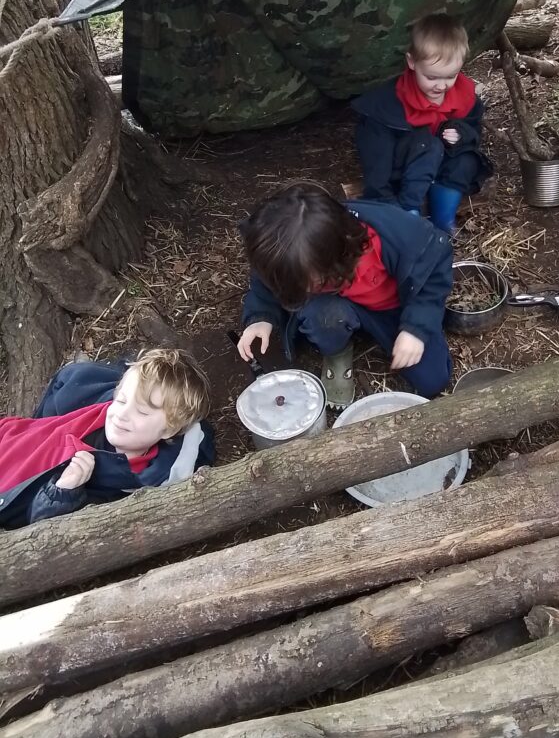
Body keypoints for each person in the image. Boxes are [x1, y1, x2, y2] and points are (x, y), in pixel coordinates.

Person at [237, 183, 453, 401]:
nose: (302, 289)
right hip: (336, 305)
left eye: (312, 281)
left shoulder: (398, 235)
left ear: (340, 256)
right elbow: (266, 279)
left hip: (394, 308)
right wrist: (261, 317)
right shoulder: (287, 254)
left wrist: (416, 328)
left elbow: (433, 277)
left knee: (433, 380)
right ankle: (338, 351)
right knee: (322, 316)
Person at [0, 349, 213, 529]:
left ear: (169, 430)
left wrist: (63, 492)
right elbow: (68, 381)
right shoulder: (97, 408)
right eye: (121, 400)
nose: (122, 414)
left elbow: (43, 532)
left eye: (143, 412)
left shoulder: (128, 483)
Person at [352, 14, 492, 233]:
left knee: (466, 161)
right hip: (404, 169)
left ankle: (443, 223)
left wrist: (461, 134)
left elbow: (474, 128)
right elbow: (376, 156)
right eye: (432, 77)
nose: (441, 86)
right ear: (412, 62)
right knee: (429, 145)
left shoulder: (463, 94)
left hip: (438, 168)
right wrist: (382, 197)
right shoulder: (389, 104)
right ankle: (411, 215)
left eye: (450, 76)